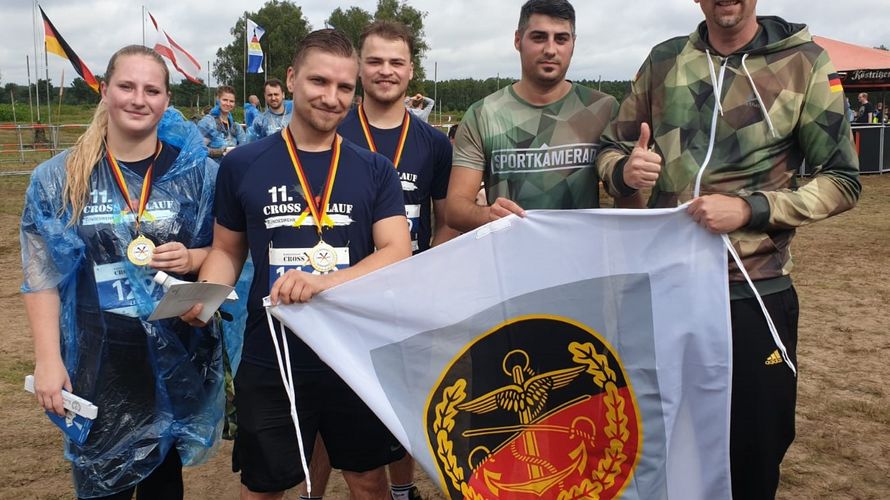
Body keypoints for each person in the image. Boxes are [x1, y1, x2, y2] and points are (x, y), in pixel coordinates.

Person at [595, 1, 861, 498]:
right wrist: (623, 171)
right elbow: (611, 147)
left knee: (755, 446)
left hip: (754, 291)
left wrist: (751, 209)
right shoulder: (664, 60)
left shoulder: (805, 61)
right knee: (662, 441)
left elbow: (843, 181)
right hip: (667, 289)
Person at [181, 29, 411, 499]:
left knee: (368, 480)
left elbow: (396, 251)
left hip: (352, 355)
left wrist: (325, 283)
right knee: (266, 485)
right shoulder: (243, 164)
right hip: (272, 353)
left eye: (344, 88)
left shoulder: (373, 168)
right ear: (290, 79)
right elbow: (227, 250)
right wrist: (204, 294)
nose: (332, 98)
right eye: (319, 82)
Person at [21, 45, 223, 500]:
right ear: (105, 91)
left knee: (163, 488)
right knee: (100, 488)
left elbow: (224, 250)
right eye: (127, 86)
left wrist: (192, 259)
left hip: (171, 362)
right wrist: (48, 359)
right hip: (96, 362)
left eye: (152, 90)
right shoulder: (60, 178)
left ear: (166, 100)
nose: (139, 99)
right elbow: (41, 276)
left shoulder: (198, 174)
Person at [294, 21, 454, 500]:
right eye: (375, 61)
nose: (386, 71)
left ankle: (403, 491)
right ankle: (311, 494)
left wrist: (429, 276)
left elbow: (443, 219)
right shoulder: (331, 126)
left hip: (405, 295)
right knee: (328, 409)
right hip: (337, 294)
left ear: (410, 70)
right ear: (360, 68)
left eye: (396, 62)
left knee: (403, 402)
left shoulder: (434, 143)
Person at [445, 0, 623, 232]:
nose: (550, 49)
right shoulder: (483, 114)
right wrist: (487, 214)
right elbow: (455, 209)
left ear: (573, 43)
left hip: (581, 262)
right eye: (539, 37)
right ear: (518, 40)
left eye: (561, 39)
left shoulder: (603, 108)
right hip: (509, 261)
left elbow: (626, 196)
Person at [198, 85, 248, 161]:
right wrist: (220, 152)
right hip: (213, 170)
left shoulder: (235, 126)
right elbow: (198, 148)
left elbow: (245, 146)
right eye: (225, 100)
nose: (228, 104)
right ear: (218, 100)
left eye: (231, 101)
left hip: (231, 167)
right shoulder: (208, 122)